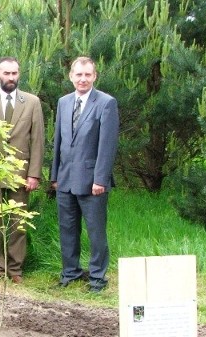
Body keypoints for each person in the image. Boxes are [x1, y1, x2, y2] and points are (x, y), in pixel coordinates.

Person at [50, 56, 119, 292]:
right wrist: (55, 176)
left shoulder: (106, 103)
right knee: (67, 229)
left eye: (87, 74)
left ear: (94, 76)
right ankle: (71, 272)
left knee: (95, 232)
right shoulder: (64, 102)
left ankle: (98, 278)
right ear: (71, 76)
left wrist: (100, 179)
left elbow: (107, 145)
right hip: (65, 179)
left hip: (92, 182)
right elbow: (58, 140)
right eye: (78, 75)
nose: (83, 79)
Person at [0, 57, 45, 284]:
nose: (11, 78)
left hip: (21, 172)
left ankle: (15, 269)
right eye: (6, 73)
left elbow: (37, 140)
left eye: (14, 73)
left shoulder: (32, 102)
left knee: (18, 222)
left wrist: (34, 173)